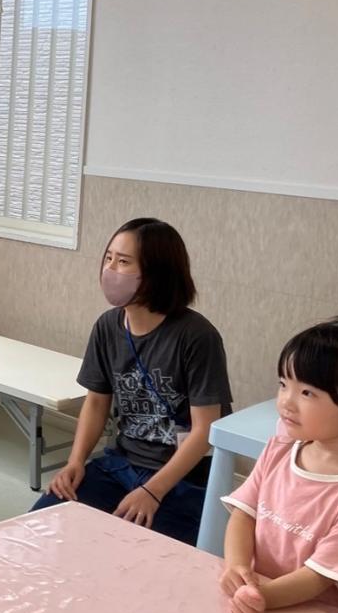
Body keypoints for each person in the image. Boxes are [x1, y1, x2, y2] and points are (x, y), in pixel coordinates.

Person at [33, 217, 233, 545]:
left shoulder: (196, 336)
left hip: (181, 479)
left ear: (157, 272)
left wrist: (153, 491)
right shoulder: (107, 326)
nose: (110, 269)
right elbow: (96, 402)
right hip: (120, 465)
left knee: (135, 554)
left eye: (124, 262)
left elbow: (204, 430)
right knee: (43, 528)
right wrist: (75, 462)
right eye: (108, 258)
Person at [221, 316, 338, 613]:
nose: (286, 402)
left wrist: (262, 596)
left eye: (307, 393)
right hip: (268, 612)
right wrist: (236, 567)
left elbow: (319, 576)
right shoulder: (280, 449)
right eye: (283, 384)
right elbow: (244, 514)